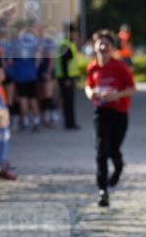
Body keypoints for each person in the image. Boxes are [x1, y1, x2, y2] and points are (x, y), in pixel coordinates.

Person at [84, 31, 136, 208]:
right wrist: (91, 93)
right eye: (100, 44)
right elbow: (88, 85)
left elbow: (132, 89)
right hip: (101, 112)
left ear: (112, 48)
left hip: (119, 113)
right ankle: (102, 190)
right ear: (95, 46)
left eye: (107, 44)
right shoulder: (92, 67)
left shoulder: (120, 67)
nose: (103, 47)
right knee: (101, 150)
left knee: (114, 149)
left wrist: (116, 95)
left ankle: (119, 168)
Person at [54, 23, 81, 130]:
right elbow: (64, 63)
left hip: (66, 77)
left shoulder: (67, 44)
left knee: (68, 101)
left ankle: (70, 122)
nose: (76, 35)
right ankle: (70, 123)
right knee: (68, 101)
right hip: (66, 78)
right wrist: (68, 79)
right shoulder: (65, 44)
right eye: (75, 33)